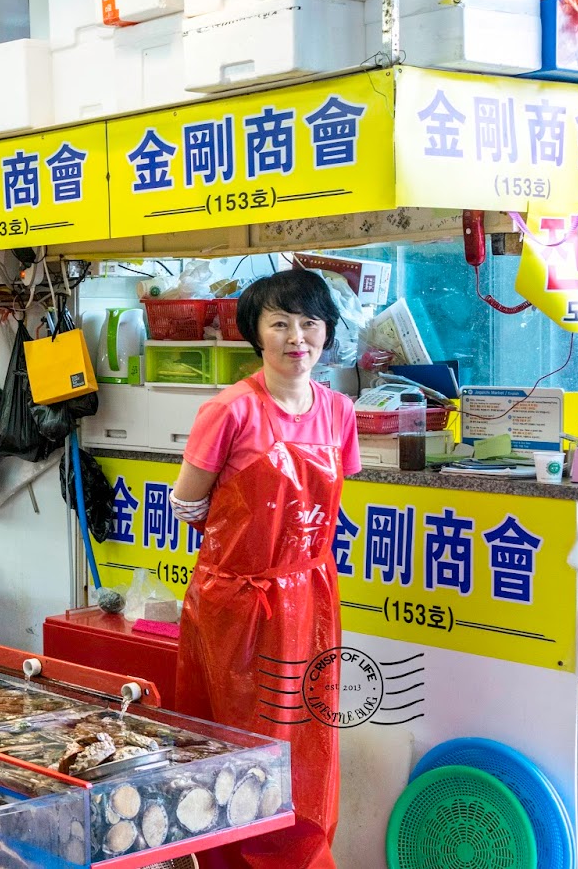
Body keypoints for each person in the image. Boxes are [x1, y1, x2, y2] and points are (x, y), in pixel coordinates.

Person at [169, 269, 360, 869]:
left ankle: (304, 857)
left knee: (310, 739)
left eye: (309, 323)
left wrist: (292, 565)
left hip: (311, 597)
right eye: (279, 323)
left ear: (326, 333)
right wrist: (243, 559)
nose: (296, 337)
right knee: (237, 744)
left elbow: (326, 500)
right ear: (256, 333)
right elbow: (187, 501)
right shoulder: (229, 410)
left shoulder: (340, 410)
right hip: (236, 604)